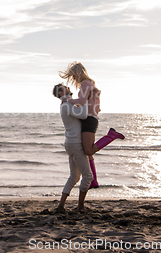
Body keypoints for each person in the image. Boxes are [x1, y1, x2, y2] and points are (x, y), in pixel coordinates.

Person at [59, 62, 125, 188]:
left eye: (73, 76)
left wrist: (67, 100)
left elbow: (82, 101)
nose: (74, 79)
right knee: (86, 152)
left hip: (90, 119)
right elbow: (85, 103)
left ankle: (111, 136)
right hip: (88, 118)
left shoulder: (86, 83)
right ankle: (93, 181)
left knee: (88, 150)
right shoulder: (89, 84)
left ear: (78, 73)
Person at [52, 83, 92, 212]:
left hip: (71, 143)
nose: (68, 88)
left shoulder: (67, 105)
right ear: (60, 93)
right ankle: (80, 206)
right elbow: (84, 115)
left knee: (74, 177)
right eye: (65, 88)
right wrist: (84, 101)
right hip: (74, 144)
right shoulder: (66, 106)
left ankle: (61, 206)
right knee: (87, 176)